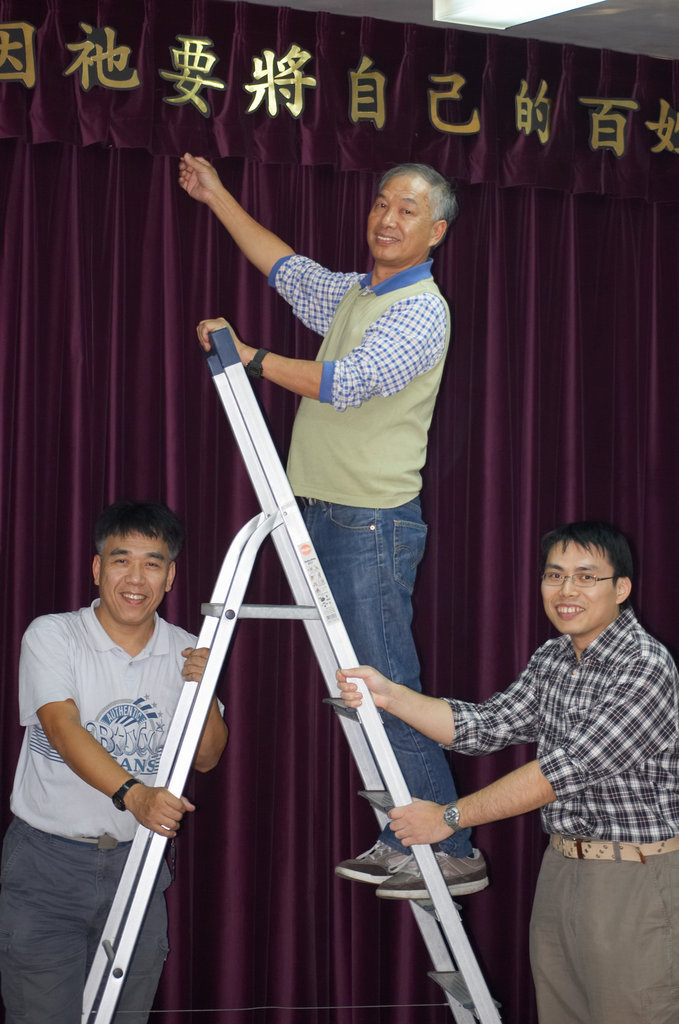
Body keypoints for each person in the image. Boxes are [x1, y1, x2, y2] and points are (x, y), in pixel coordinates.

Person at [178, 153, 487, 899]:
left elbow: (347, 383)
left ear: (436, 232)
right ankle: (403, 834)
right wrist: (216, 196)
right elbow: (286, 269)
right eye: (382, 203)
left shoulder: (421, 309)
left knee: (387, 688)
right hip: (324, 515)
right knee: (366, 688)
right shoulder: (357, 294)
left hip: (369, 521)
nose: (387, 218)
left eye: (407, 210)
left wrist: (252, 359)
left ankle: (450, 846)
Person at [337, 520, 679, 1023]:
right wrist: (392, 696)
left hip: (634, 877)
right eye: (555, 575)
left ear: (621, 588)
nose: (567, 590)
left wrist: (448, 818)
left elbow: (561, 772)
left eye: (586, 577)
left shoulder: (645, 665)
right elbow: (484, 726)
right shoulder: (554, 657)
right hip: (560, 867)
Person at [0, 501, 228, 1024]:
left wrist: (204, 694)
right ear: (97, 568)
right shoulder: (53, 635)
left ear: (170, 577)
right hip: (47, 865)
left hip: (139, 865)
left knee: (125, 1015)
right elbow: (62, 729)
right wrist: (135, 795)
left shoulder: (188, 649)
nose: (136, 578)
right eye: (122, 560)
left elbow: (208, 757)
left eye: (152, 563)